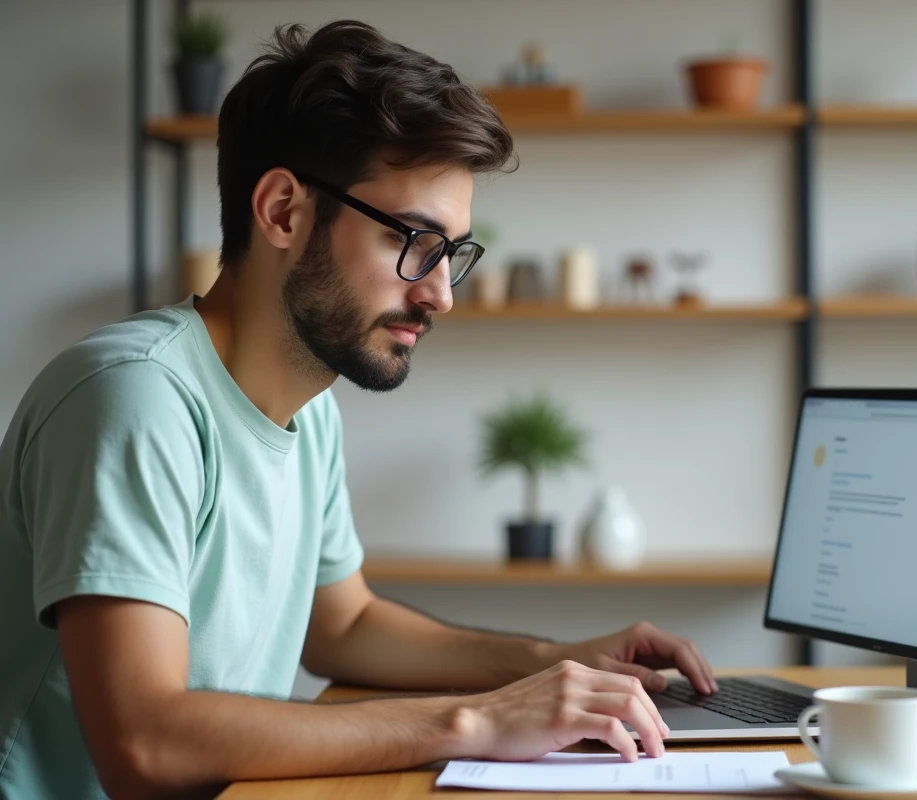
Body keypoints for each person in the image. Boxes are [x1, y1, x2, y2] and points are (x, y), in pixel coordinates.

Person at [0, 20, 718, 800]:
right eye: (414, 240)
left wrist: (558, 663)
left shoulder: (308, 412)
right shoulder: (136, 398)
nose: (440, 293)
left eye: (454, 255)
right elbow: (144, 746)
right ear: (281, 211)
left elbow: (341, 627)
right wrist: (475, 722)